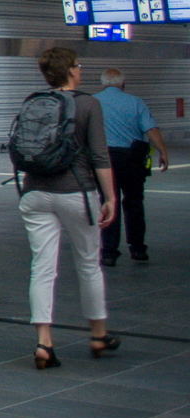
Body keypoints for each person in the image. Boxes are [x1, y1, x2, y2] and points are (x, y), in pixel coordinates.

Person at [18, 47, 118, 369]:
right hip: (76, 192)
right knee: (88, 264)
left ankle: (44, 342)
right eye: (78, 64)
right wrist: (110, 198)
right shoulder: (88, 103)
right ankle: (98, 334)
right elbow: (100, 156)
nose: (80, 67)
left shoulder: (33, 102)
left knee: (42, 268)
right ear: (71, 71)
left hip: (34, 192)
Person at [96, 67, 170, 267]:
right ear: (123, 83)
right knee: (134, 202)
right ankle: (137, 249)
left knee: (108, 202)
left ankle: (109, 252)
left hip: (104, 160)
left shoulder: (93, 102)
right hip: (131, 160)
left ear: (103, 84)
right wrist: (162, 151)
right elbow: (151, 129)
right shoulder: (136, 102)